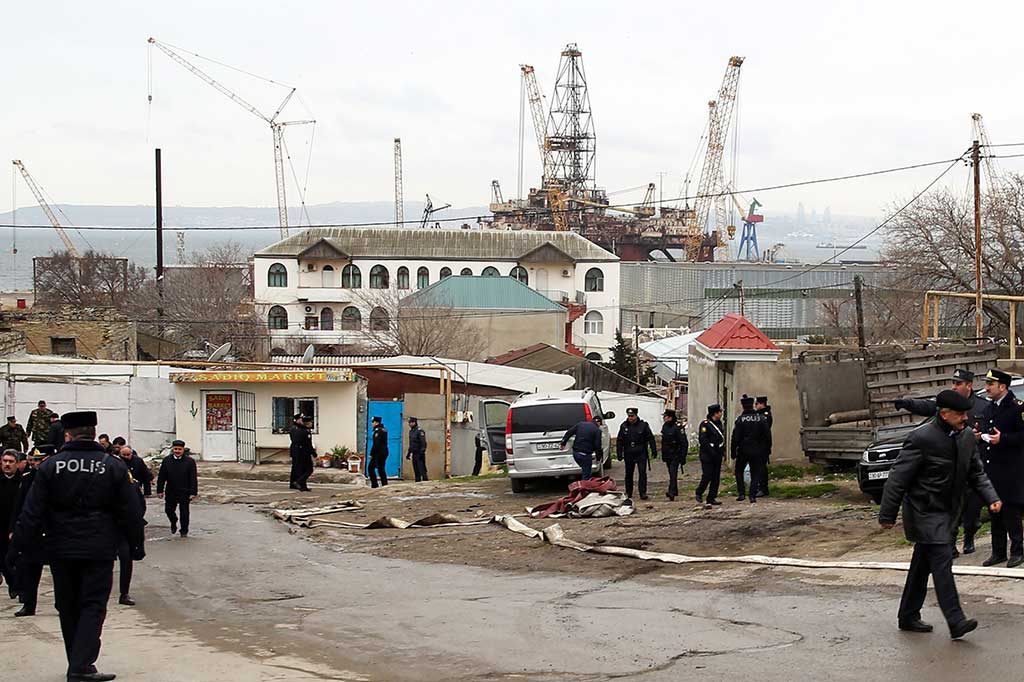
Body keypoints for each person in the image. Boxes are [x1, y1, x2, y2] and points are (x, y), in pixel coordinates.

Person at [8, 411, 145, 681]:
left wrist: (16, 549)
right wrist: (135, 545)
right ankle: (81, 665)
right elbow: (130, 510)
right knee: (93, 605)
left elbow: (32, 512)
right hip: (99, 548)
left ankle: (78, 662)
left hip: (61, 548)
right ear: (94, 433)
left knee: (67, 604)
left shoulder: (50, 466)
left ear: (67, 435)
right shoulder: (114, 465)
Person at [879, 390, 1000, 639]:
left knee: (922, 565)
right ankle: (956, 621)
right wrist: (887, 515)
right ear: (944, 414)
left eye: (966, 413)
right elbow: (898, 478)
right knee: (943, 562)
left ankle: (908, 615)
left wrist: (992, 497)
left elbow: (976, 472)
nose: (965, 418)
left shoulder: (966, 436)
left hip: (949, 511)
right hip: (925, 510)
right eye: (959, 414)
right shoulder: (921, 438)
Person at [895, 368, 986, 556]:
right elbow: (927, 406)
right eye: (953, 383)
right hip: (952, 469)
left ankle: (969, 538)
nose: (954, 387)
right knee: (950, 510)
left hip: (973, 467)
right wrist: (907, 403)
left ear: (969, 386)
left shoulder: (982, 406)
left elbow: (994, 429)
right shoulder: (947, 406)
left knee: (971, 511)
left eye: (958, 383)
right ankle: (950, 544)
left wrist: (981, 437)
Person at [974, 369, 1024, 568]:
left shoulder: (1016, 408)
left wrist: (1003, 438)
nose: (986, 388)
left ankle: (1018, 551)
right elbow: (987, 431)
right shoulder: (989, 408)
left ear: (1002, 387)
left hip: (1011, 470)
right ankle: (998, 551)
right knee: (995, 511)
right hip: (992, 469)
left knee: (1010, 513)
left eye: (990, 384)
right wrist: (980, 435)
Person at [8, 445, 55, 617]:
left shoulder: (57, 477)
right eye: (34, 460)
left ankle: (61, 603)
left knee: (59, 571)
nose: (35, 464)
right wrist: (14, 528)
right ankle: (29, 604)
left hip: (52, 531)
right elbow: (19, 506)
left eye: (39, 460)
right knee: (29, 569)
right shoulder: (28, 479)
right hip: (32, 532)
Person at [116, 445, 151, 606]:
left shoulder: (133, 485)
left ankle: (124, 593)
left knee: (125, 558)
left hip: (126, 528)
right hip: (108, 528)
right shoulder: (107, 486)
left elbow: (140, 507)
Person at [731, 395, 771, 504]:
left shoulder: (740, 420)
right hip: (757, 451)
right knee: (755, 472)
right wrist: (767, 450)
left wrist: (733, 451)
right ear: (752, 405)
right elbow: (767, 436)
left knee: (739, 471)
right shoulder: (761, 419)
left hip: (743, 451)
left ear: (743, 406)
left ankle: (741, 493)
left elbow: (735, 437)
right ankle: (752, 495)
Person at [157, 440, 198, 538]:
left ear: (183, 449)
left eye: (179, 449)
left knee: (184, 513)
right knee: (168, 510)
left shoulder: (190, 462)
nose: (177, 451)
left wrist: (193, 492)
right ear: (172, 449)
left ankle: (184, 531)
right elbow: (162, 476)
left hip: (185, 491)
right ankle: (173, 520)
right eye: (175, 449)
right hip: (171, 490)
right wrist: (159, 490)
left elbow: (193, 478)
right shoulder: (167, 460)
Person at [616, 407, 657, 500]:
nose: (630, 418)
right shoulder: (624, 426)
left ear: (636, 415)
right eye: (629, 416)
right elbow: (619, 440)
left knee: (642, 473)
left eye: (632, 416)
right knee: (629, 474)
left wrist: (653, 450)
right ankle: (628, 492)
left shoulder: (643, 425)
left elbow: (650, 438)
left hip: (641, 452)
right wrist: (619, 453)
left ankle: (642, 492)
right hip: (628, 452)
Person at [0, 449, 21, 598]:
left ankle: (17, 586)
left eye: (10, 461)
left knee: (13, 559)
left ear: (18, 464)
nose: (7, 464)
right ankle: (12, 583)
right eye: (5, 461)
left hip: (15, 526)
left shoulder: (23, 481)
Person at [696, 404, 726, 506]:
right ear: (715, 413)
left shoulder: (719, 423)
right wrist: (711, 451)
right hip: (707, 455)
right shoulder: (705, 424)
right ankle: (699, 492)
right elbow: (703, 440)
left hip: (717, 454)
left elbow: (721, 438)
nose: (721, 414)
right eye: (720, 412)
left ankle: (711, 497)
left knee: (716, 477)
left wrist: (722, 451)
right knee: (707, 475)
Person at [560, 416, 604, 481]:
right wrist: (598, 458)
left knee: (584, 469)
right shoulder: (597, 430)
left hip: (576, 453)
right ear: (599, 422)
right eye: (600, 424)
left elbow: (569, 432)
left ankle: (581, 483)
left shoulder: (580, 424)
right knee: (586, 473)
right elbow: (597, 445)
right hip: (585, 455)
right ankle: (584, 488)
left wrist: (563, 443)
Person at [660, 409, 687, 501]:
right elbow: (664, 442)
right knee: (671, 473)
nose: (664, 418)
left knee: (673, 473)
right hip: (668, 454)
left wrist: (683, 456)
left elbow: (684, 443)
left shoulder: (678, 427)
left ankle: (671, 492)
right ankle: (674, 490)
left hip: (676, 453)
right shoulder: (665, 427)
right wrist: (663, 454)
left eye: (665, 416)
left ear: (670, 417)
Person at [288, 413, 312, 491]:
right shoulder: (304, 430)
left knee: (295, 468)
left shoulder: (293, 428)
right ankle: (300, 483)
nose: (302, 421)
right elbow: (307, 443)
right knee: (305, 469)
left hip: (295, 450)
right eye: (301, 419)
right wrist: (313, 453)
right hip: (302, 451)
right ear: (298, 420)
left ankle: (293, 483)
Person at [754, 396, 772, 497]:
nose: (755, 406)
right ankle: (758, 487)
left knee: (761, 468)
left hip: (762, 446)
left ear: (762, 404)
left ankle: (763, 488)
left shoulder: (765, 415)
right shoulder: (759, 414)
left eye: (757, 404)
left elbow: (762, 430)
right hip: (757, 445)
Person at [368, 416, 389, 488]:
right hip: (383, 452)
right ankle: (384, 484)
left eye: (373, 422)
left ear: (376, 422)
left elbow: (376, 444)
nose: (372, 423)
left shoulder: (378, 431)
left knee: (371, 468)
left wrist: (371, 454)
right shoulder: (383, 429)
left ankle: (375, 485)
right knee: (380, 469)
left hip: (379, 453)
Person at [407, 417, 428, 482]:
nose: (409, 424)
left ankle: (426, 483)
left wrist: (422, 451)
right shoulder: (411, 431)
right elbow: (411, 444)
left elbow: (423, 442)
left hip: (419, 453)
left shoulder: (420, 431)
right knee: (416, 470)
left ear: (414, 422)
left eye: (411, 422)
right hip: (414, 454)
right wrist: (409, 453)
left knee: (422, 470)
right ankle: (417, 483)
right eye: (409, 423)